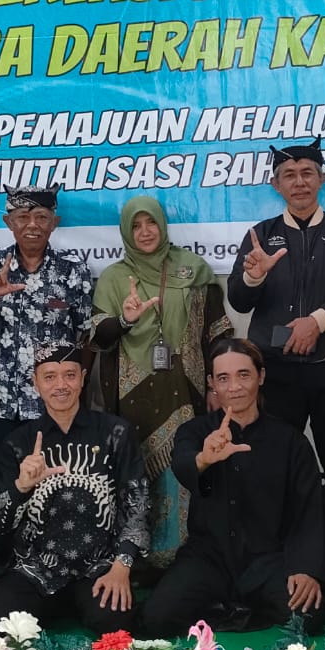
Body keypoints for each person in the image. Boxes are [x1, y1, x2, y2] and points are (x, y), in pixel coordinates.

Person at [226, 139, 325, 585]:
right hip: (277, 375)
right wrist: (253, 275)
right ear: (276, 185)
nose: (299, 182)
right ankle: (272, 565)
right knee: (273, 469)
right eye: (289, 175)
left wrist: (318, 321)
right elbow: (239, 299)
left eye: (308, 172)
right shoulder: (261, 234)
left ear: (322, 178)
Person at [143, 338, 325, 637]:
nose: (234, 387)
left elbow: (308, 510)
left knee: (308, 615)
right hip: (208, 557)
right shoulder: (195, 431)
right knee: (157, 617)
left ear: (261, 376)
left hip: (268, 558)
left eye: (244, 375)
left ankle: (231, 609)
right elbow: (183, 464)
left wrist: (305, 568)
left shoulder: (291, 441)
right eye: (223, 378)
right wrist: (204, 458)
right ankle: (230, 607)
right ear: (211, 383)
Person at [91, 196, 233, 571]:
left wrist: (217, 385)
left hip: (186, 389)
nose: (144, 232)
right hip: (131, 395)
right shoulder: (113, 278)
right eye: (135, 226)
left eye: (150, 222)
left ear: (162, 224)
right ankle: (137, 559)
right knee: (136, 472)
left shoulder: (193, 269)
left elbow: (217, 333)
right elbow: (99, 339)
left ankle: (182, 555)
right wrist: (125, 320)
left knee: (183, 465)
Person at [0, 342, 148, 635]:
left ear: (82, 378)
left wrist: (122, 566)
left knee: (117, 624)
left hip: (99, 566)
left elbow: (138, 502)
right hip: (34, 570)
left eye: (69, 375)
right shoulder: (18, 443)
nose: (61, 385)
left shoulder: (115, 433)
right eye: (50, 377)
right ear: (35, 383)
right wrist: (21, 487)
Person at [0, 186, 93, 458]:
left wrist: (76, 392)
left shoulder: (73, 270)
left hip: (54, 403)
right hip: (1, 402)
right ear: (8, 222)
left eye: (41, 217)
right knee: (0, 477)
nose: (32, 225)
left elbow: (83, 337)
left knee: (55, 477)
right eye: (22, 217)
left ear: (54, 223)